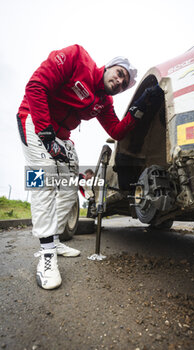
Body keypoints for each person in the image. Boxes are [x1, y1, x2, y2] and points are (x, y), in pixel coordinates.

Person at [17, 44, 159, 290]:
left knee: (70, 188)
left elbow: (115, 130)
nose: (119, 81)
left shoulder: (103, 102)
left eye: (124, 83)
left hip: (62, 136)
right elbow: (35, 86)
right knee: (45, 182)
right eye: (119, 73)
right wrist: (46, 135)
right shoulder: (76, 57)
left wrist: (139, 109)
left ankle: (56, 239)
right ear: (109, 66)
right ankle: (46, 254)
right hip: (34, 120)